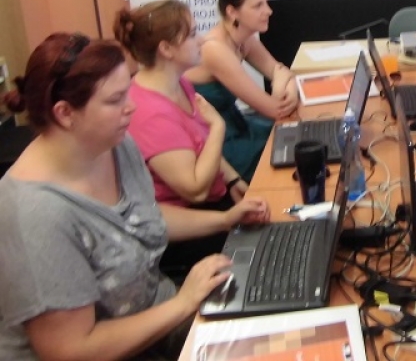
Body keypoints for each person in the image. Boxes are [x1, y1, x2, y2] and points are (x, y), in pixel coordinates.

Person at [0, 33, 270, 360]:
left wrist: (225, 220)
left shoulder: (115, 145)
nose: (132, 107)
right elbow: (71, 350)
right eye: (115, 100)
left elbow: (140, 218)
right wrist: (183, 302)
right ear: (65, 113)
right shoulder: (35, 214)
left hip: (157, 322)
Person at [114, 0, 250, 275]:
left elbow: (201, 144)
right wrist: (218, 127)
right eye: (192, 35)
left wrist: (233, 179)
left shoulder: (179, 82)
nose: (202, 40)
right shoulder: (149, 114)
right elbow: (195, 189)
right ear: (166, 49)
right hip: (188, 228)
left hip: (211, 205)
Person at [184, 0, 299, 182]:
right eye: (258, 6)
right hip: (219, 143)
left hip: (240, 125)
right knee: (294, 151)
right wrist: (281, 85)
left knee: (300, 140)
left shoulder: (244, 38)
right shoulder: (215, 49)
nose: (269, 11)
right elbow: (275, 110)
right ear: (232, 12)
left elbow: (281, 71)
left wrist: (286, 84)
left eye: (266, 3)